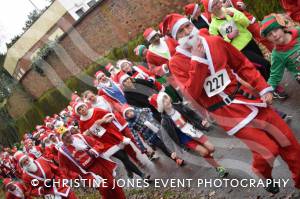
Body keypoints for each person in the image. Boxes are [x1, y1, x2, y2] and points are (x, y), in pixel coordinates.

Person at [163, 13, 300, 194]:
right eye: (180, 31)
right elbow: (193, 93)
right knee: (268, 150)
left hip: (247, 99)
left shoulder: (213, 41)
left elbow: (241, 63)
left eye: (187, 26)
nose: (187, 32)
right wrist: (197, 60)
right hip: (227, 114)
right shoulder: (177, 63)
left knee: (287, 140)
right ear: (175, 38)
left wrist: (263, 88)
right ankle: (262, 172)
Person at [74, 102, 149, 179]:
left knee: (124, 156)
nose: (82, 110)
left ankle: (128, 169)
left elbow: (111, 115)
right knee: (123, 157)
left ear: (85, 106)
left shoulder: (96, 110)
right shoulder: (82, 122)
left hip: (113, 136)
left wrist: (103, 121)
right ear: (78, 112)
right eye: (79, 109)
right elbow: (84, 135)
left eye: (82, 107)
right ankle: (142, 175)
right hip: (104, 143)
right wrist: (90, 130)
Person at [204, 0, 271, 82]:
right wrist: (229, 37)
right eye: (215, 3)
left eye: (218, 1)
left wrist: (233, 15)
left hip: (250, 42)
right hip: (239, 51)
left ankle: (269, 86)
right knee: (264, 64)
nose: (219, 4)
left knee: (260, 66)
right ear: (211, 9)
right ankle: (273, 86)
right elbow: (218, 45)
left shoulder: (231, 10)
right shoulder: (213, 27)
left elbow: (246, 23)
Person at [58, 130, 126, 199]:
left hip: (98, 164)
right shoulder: (62, 152)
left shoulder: (80, 137)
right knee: (104, 188)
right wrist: (77, 176)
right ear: (62, 139)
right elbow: (64, 169)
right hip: (87, 173)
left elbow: (97, 144)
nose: (67, 135)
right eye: (64, 136)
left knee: (114, 185)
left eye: (67, 132)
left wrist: (95, 150)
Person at [260, 15, 300, 92]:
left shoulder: (298, 32)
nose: (274, 35)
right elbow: (275, 76)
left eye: (275, 30)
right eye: (270, 34)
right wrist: (267, 91)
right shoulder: (277, 55)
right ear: (268, 39)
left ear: (282, 28)